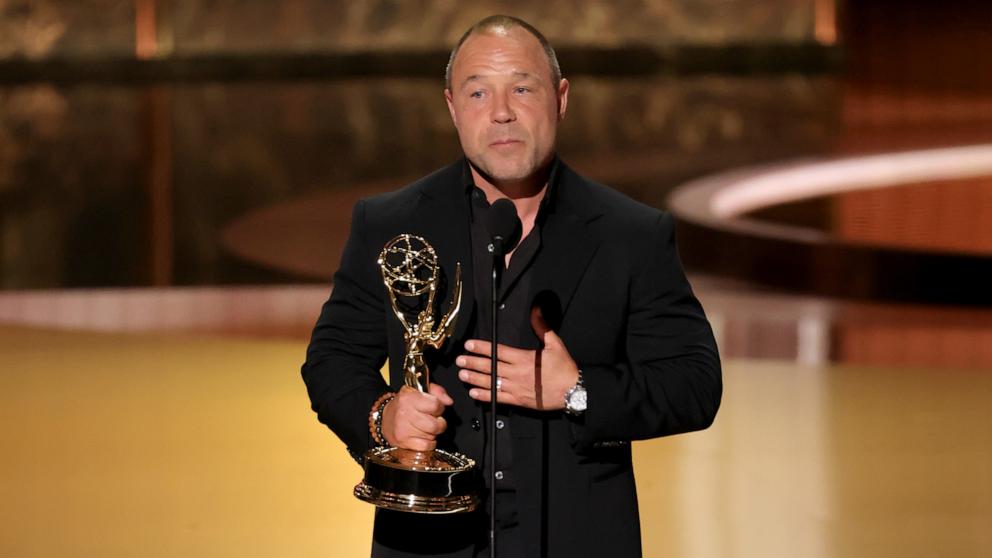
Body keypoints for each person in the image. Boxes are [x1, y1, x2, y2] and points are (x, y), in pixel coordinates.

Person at [302, 14, 721, 558]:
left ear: (561, 98)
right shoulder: (390, 224)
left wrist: (577, 393)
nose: (501, 112)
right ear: (452, 107)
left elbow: (693, 384)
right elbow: (331, 359)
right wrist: (384, 415)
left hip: (577, 538)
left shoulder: (631, 235)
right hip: (429, 542)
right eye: (478, 93)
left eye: (522, 88)